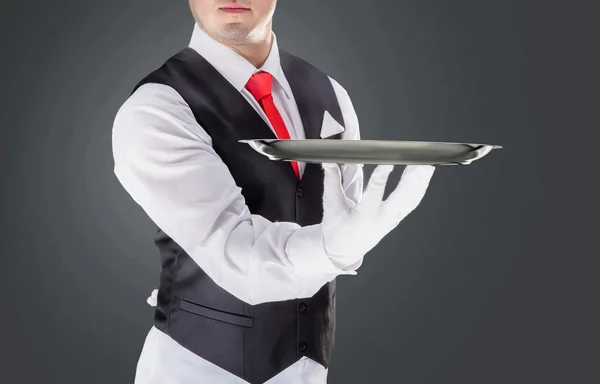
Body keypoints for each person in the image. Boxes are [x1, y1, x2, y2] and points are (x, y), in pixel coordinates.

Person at [111, 1, 435, 383]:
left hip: (309, 368)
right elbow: (234, 251)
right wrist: (335, 248)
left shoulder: (331, 93)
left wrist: (349, 236)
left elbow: (344, 216)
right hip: (198, 366)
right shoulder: (157, 108)